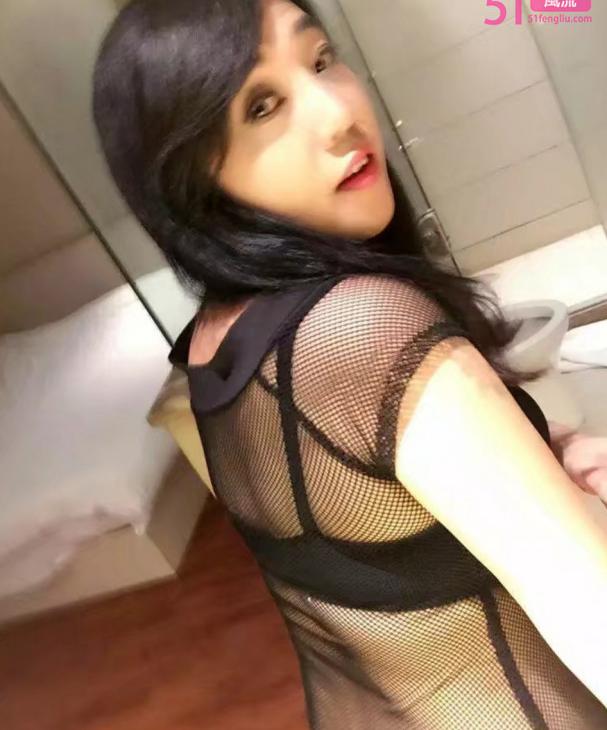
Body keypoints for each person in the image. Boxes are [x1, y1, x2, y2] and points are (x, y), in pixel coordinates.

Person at [92, 0, 607, 726]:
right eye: (262, 106)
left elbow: (372, 519)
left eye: (321, 60)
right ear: (192, 177)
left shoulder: (215, 341)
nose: (338, 115)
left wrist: (543, 451)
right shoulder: (357, 327)